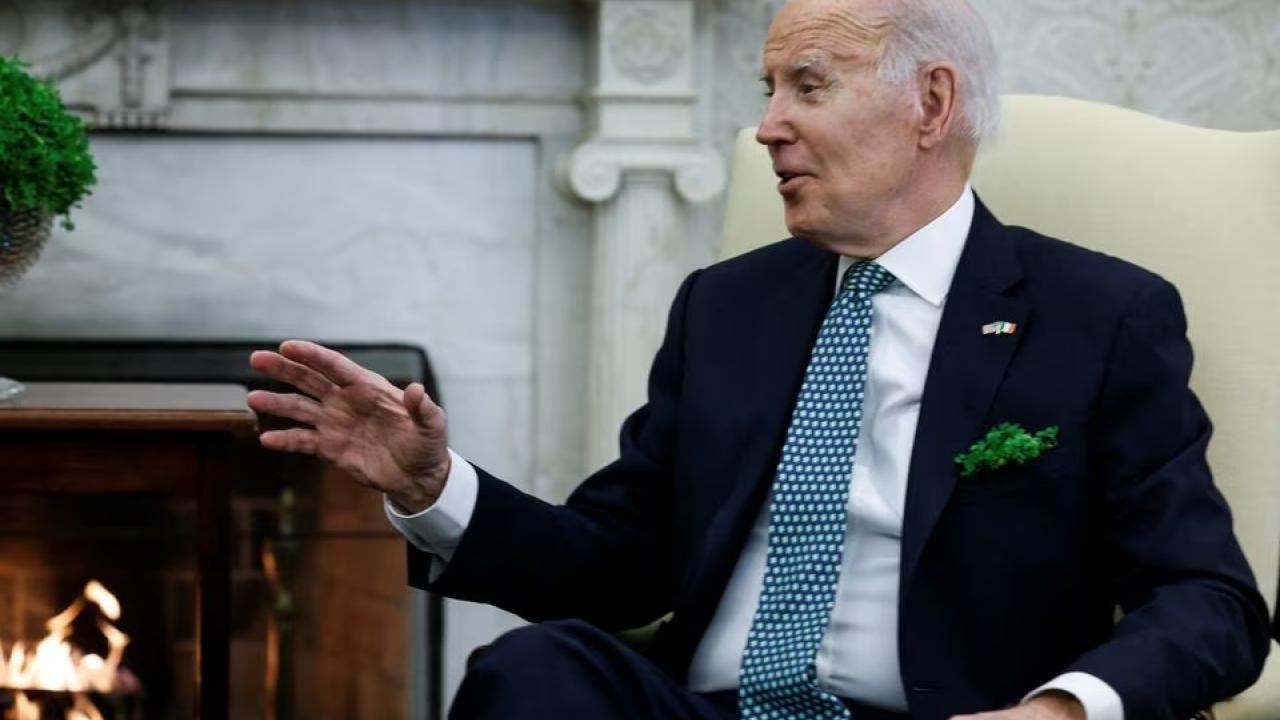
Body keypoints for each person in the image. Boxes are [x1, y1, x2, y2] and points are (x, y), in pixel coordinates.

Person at [247, 0, 1270, 718]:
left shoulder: (1096, 316)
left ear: (929, 103)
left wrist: (1058, 712)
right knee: (537, 671)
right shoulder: (728, 304)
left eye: (806, 87)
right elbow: (617, 563)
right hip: (710, 709)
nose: (765, 126)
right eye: (767, 88)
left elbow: (1209, 601)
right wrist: (433, 484)